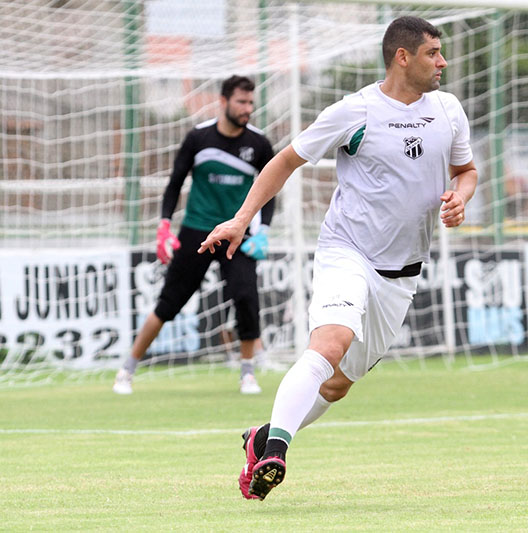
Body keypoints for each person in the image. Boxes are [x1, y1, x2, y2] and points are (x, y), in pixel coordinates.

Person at [199, 16, 477, 500]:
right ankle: (277, 454)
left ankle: (262, 438)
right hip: (347, 251)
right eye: (434, 52)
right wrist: (242, 219)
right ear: (402, 57)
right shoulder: (356, 111)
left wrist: (461, 196)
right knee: (330, 344)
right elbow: (286, 160)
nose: (443, 62)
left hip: (402, 273)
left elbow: (466, 170)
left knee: (337, 386)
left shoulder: (448, 110)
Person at [113, 75, 276, 396]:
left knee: (246, 298)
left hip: (236, 234)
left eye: (250, 103)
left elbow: (271, 190)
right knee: (169, 304)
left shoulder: (258, 144)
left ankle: (247, 373)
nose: (247, 109)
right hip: (198, 232)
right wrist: (163, 227)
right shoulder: (198, 139)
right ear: (224, 102)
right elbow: (174, 184)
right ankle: (127, 369)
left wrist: (263, 232)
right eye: (241, 102)